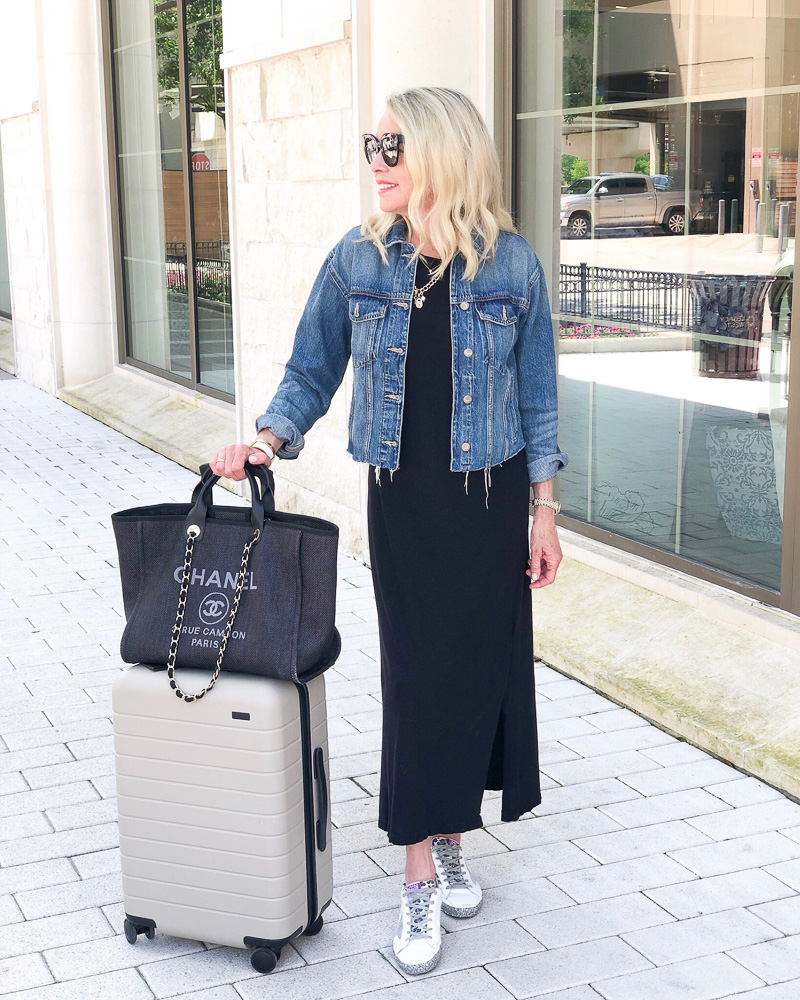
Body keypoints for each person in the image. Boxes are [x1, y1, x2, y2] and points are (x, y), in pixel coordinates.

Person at [210, 86, 568, 976]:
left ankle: (451, 835)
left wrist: (546, 513)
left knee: (473, 676)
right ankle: (418, 873)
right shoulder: (358, 261)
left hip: (488, 510)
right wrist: (263, 441)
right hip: (405, 507)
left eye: (393, 146)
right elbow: (310, 368)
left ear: (443, 154)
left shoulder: (513, 268)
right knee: (417, 682)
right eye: (371, 144)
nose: (377, 160)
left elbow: (538, 401)